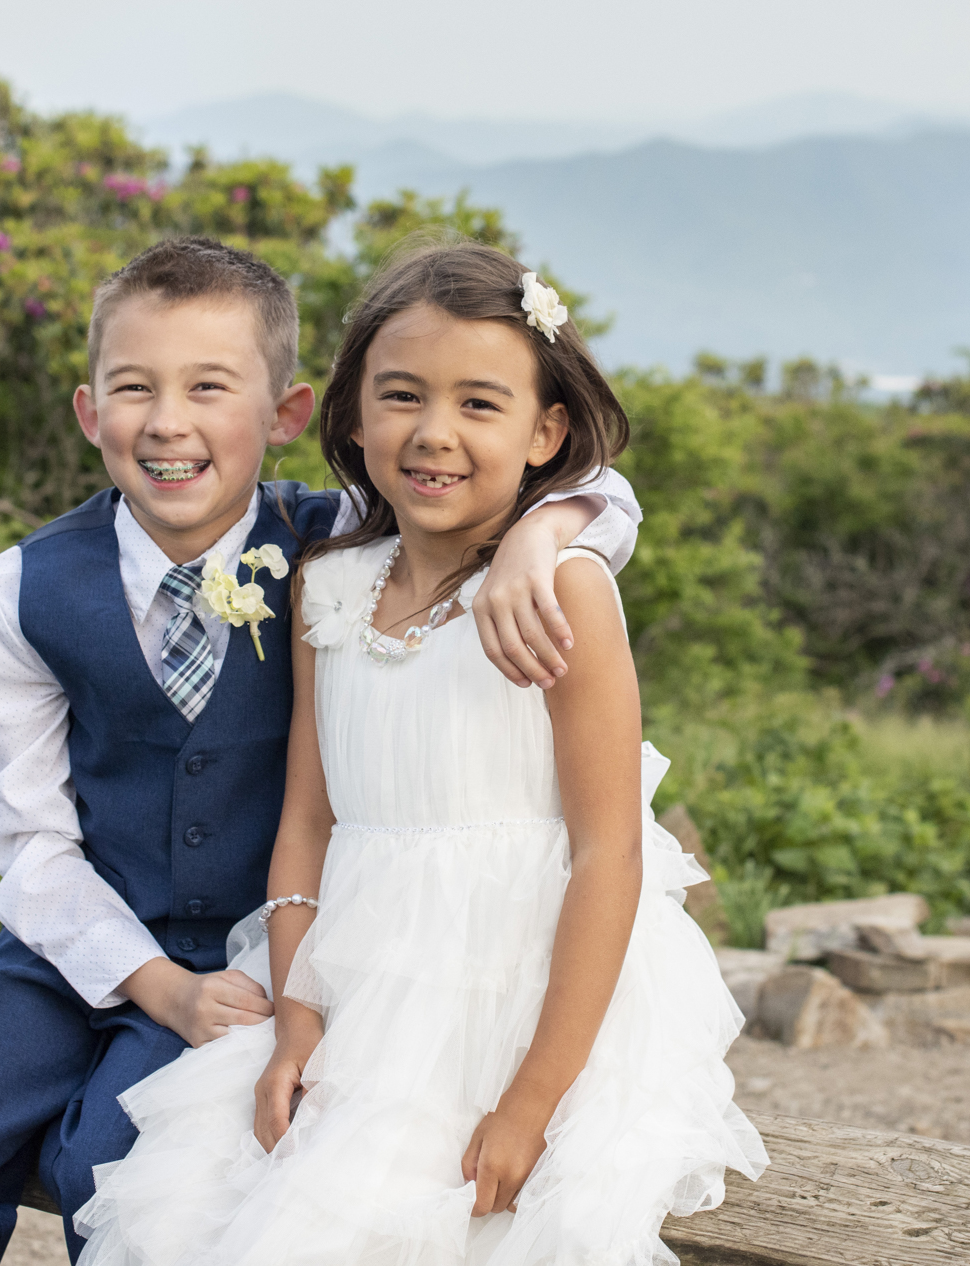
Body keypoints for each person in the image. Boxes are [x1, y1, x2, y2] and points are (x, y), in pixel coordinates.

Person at [0, 236, 646, 1266]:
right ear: (90, 412)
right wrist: (152, 982)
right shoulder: (20, 589)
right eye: (134, 389)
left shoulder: (340, 540)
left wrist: (540, 532)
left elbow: (571, 486)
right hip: (76, 945)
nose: (169, 423)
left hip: (257, 964)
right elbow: (29, 841)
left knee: (116, 1173)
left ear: (289, 416)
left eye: (209, 387)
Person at [71, 241, 768, 1266]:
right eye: (401, 397)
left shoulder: (562, 590)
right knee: (190, 1214)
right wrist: (300, 1017)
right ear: (352, 416)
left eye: (480, 406)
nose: (434, 434)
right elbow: (309, 819)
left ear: (546, 430)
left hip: (520, 999)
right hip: (352, 986)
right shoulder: (329, 581)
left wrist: (531, 1103)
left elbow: (608, 853)